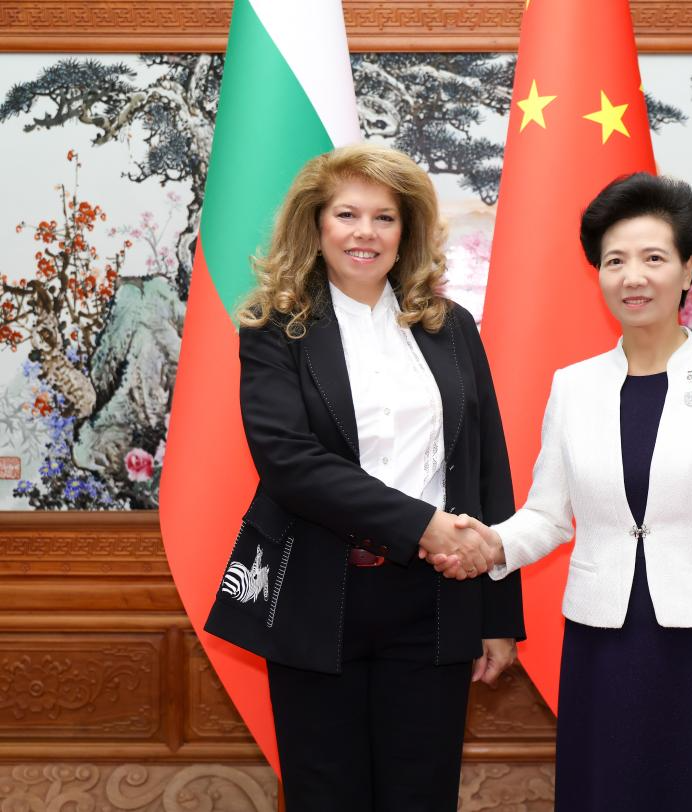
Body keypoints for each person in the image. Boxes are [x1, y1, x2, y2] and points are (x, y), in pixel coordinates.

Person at [439, 172, 692, 810]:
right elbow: (548, 516)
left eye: (654, 258)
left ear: (688, 269)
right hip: (604, 640)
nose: (634, 277)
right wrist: (487, 544)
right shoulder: (574, 385)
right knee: (610, 789)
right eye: (615, 261)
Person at [204, 144, 525, 812]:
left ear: (406, 231)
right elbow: (289, 462)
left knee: (422, 794)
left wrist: (498, 616)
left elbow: (487, 468)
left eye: (384, 217)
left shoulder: (451, 327)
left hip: (437, 598)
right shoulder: (274, 327)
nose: (365, 233)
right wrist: (423, 526)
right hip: (318, 593)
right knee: (326, 795)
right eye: (347, 214)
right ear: (316, 224)